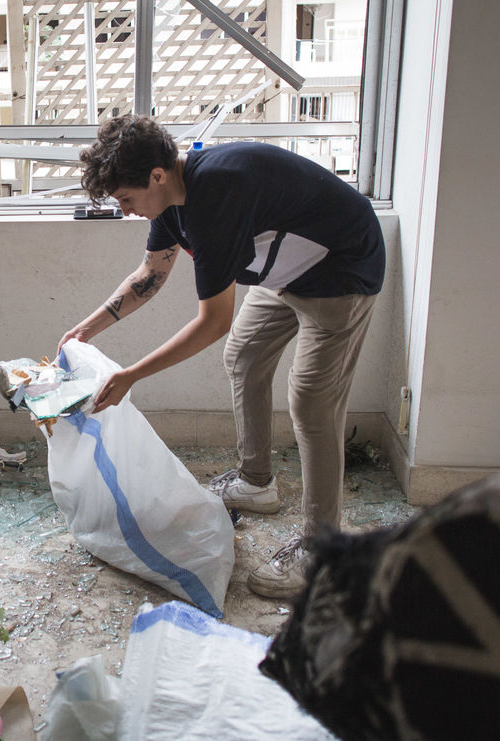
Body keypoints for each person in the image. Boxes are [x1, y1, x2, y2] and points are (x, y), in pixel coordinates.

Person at [59, 115, 384, 600]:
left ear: (156, 175)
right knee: (245, 356)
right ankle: (256, 483)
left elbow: (212, 322)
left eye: (125, 199)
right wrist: (86, 330)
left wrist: (131, 375)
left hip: (342, 266)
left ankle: (324, 553)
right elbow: (150, 274)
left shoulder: (216, 197)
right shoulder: (170, 200)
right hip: (288, 272)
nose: (125, 210)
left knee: (312, 403)